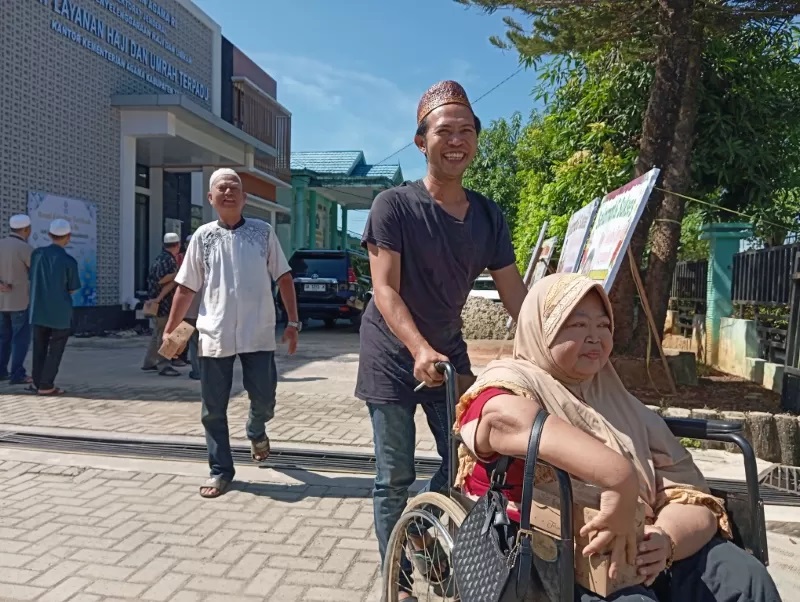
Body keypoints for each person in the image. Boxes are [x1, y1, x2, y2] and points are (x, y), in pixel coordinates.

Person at [454, 272, 781, 602]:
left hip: (647, 545)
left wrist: (665, 539)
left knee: (746, 579)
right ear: (542, 330)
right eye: (578, 325)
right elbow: (501, 421)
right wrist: (619, 477)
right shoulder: (511, 382)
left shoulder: (621, 402)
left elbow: (686, 492)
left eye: (604, 326)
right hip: (555, 557)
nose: (595, 337)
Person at [356, 80, 528, 600]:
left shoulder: (488, 215)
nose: (456, 140)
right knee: (394, 475)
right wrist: (418, 349)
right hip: (392, 353)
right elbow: (384, 289)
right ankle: (400, 578)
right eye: (444, 131)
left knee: (463, 464)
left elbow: (516, 294)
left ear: (476, 139)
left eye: (466, 131)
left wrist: (545, 347)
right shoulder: (394, 206)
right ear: (421, 141)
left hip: (448, 354)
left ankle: (426, 534)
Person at [163, 168, 300, 498]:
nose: (228, 192)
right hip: (215, 332)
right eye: (221, 188)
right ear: (210, 198)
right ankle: (221, 470)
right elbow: (185, 288)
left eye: (234, 187)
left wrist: (293, 323)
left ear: (244, 197)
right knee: (212, 409)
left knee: (265, 398)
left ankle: (256, 427)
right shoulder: (202, 237)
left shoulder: (263, 232)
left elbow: (283, 277)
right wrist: (170, 331)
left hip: (258, 331)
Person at [27, 219, 81, 396]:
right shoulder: (69, 260)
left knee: (39, 348)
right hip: (60, 312)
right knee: (55, 350)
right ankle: (46, 385)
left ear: (49, 235)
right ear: (68, 237)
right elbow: (73, 288)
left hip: (38, 309)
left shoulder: (37, 254)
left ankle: (36, 382)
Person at [141, 232, 182, 377]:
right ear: (177, 245)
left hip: (157, 303)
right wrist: (178, 274)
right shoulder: (168, 261)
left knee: (157, 333)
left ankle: (150, 362)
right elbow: (162, 280)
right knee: (168, 334)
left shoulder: (159, 258)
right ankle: (164, 364)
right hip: (165, 304)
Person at [0, 214, 33, 385]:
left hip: (1, 302)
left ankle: (1, 371)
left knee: (3, 337)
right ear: (27, 229)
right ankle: (17, 374)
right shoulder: (24, 248)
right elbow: (34, 271)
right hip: (19, 301)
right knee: (20, 338)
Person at [183, 234, 201, 381]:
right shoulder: (209, 261)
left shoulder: (187, 264)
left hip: (188, 311)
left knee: (192, 342)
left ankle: (197, 371)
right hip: (204, 312)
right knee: (200, 342)